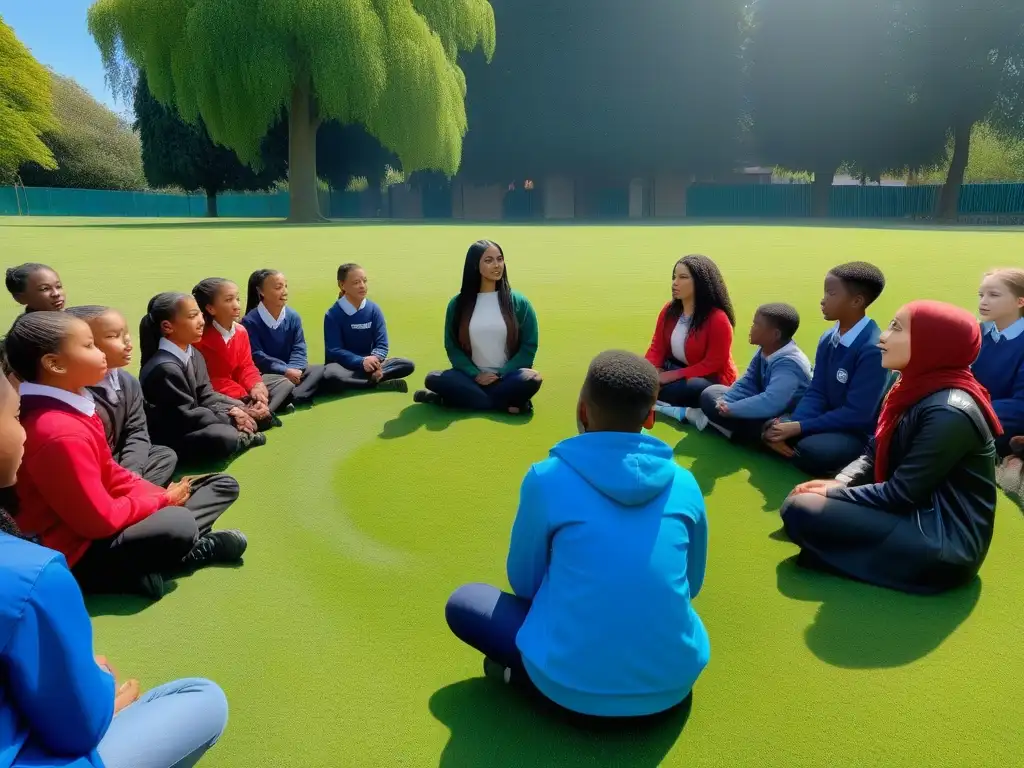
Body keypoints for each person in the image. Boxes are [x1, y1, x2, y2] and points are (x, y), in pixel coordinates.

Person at [445, 350, 709, 719]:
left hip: (568, 689)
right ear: (651, 417)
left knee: (465, 602)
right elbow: (692, 585)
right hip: (673, 687)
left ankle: (523, 679)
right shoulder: (686, 483)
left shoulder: (546, 478)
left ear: (582, 411)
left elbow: (525, 585)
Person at [0, 373, 229, 768]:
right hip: (89, 544)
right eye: (14, 416)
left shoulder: (91, 403)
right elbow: (77, 729)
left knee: (182, 476)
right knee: (204, 698)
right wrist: (103, 693)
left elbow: (124, 461)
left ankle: (168, 553)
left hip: (116, 510)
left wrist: (153, 495)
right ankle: (175, 554)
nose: (23, 432)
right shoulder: (30, 573)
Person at [6, 311, 247, 600]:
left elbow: (110, 470)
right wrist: (160, 500)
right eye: (89, 346)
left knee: (220, 485)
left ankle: (150, 562)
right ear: (54, 364)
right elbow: (98, 521)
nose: (100, 353)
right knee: (177, 523)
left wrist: (155, 495)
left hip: (106, 517)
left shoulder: (74, 406)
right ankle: (178, 556)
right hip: (76, 551)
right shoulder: (56, 430)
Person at [781, 301, 1000, 595]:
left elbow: (901, 493)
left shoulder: (949, 412)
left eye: (897, 328)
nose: (883, 337)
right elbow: (873, 451)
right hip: (911, 511)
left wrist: (835, 494)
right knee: (800, 502)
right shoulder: (909, 385)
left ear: (931, 343)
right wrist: (840, 482)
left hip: (942, 542)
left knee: (801, 508)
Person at [763, 262, 889, 477]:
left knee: (812, 451)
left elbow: (857, 414)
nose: (823, 300)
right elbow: (817, 390)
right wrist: (794, 423)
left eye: (831, 294)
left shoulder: (872, 348)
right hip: (825, 416)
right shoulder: (828, 338)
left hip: (854, 431)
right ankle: (784, 441)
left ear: (856, 301)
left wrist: (800, 428)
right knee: (770, 425)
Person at [415, 240, 542, 414]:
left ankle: (447, 399)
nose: (497, 265)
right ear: (475, 265)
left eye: (500, 259)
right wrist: (475, 374)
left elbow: (529, 345)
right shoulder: (458, 304)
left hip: (507, 377)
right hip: (470, 378)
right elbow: (452, 347)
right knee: (434, 378)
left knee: (532, 378)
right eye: (489, 260)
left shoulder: (519, 302)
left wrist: (501, 374)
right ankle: (503, 404)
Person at [139, 292, 266, 464]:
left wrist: (241, 408)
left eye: (199, 314)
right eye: (192, 316)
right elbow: (186, 415)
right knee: (222, 436)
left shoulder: (193, 354)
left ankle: (242, 428)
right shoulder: (164, 368)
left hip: (197, 420)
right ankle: (240, 437)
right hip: (176, 433)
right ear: (167, 326)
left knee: (250, 412)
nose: (201, 321)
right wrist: (231, 417)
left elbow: (207, 394)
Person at [66, 305, 177, 487]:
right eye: (113, 336)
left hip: (119, 465)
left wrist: (132, 473)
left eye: (125, 333)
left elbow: (136, 430)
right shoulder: (74, 392)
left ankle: (133, 494)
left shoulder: (127, 382)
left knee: (165, 455)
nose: (128, 343)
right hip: (90, 472)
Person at [671, 303, 812, 441]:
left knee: (780, 430)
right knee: (711, 394)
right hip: (765, 409)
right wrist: (726, 402)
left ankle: (761, 435)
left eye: (757, 324)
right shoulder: (766, 349)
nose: (751, 328)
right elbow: (748, 381)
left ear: (775, 334)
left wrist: (732, 409)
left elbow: (772, 401)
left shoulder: (789, 364)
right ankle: (758, 433)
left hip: (788, 416)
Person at [192, 278, 293, 429]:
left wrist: (256, 386)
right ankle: (260, 412)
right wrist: (243, 394)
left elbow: (246, 365)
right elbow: (210, 381)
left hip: (241, 386)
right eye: (228, 300)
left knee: (283, 383)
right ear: (211, 308)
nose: (236, 305)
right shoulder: (199, 340)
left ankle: (258, 411)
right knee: (230, 404)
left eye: (237, 299)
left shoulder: (240, 331)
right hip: (218, 392)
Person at [646, 254, 737, 415]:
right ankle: (655, 394)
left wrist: (671, 376)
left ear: (700, 282)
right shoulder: (669, 311)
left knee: (697, 388)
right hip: (673, 367)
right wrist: (652, 371)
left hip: (706, 377)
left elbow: (712, 363)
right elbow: (656, 347)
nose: (675, 283)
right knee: (640, 375)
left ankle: (655, 397)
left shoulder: (718, 319)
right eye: (674, 277)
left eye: (683, 277)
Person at [241, 268, 349, 406]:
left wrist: (295, 369)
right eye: (278, 287)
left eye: (285, 286)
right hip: (269, 374)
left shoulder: (293, 316)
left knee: (326, 369)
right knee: (283, 383)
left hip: (294, 371)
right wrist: (285, 371)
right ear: (261, 292)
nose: (284, 292)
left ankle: (292, 395)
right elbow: (257, 355)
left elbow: (299, 348)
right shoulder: (250, 321)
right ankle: (297, 394)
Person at [322, 263, 416, 393]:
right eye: (356, 282)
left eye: (364, 281)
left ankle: (365, 381)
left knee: (407, 365)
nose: (362, 286)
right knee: (330, 374)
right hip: (344, 366)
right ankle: (375, 383)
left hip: (371, 364)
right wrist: (361, 361)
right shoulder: (333, 314)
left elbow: (382, 345)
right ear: (342, 285)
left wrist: (374, 360)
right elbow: (334, 350)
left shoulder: (374, 310)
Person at [972, 267, 1024, 457]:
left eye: (993, 295)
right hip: (971, 417)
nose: (983, 301)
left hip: (1001, 428)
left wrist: (966, 412)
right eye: (981, 294)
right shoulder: (977, 333)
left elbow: (1020, 407)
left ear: (1020, 301)